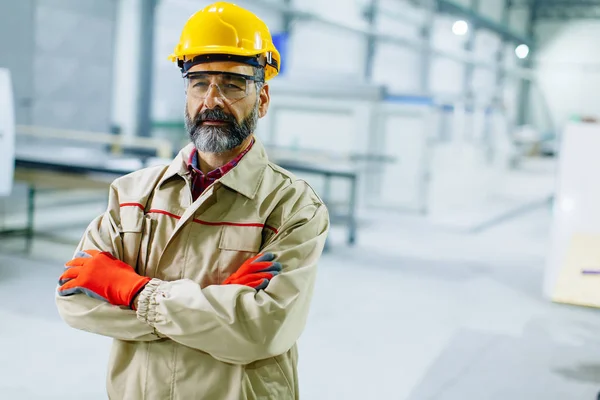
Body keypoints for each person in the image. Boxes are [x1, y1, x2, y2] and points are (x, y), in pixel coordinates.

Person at [55, 2, 330, 399]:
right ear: (186, 93)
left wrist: (130, 290)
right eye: (200, 82)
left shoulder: (294, 208)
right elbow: (75, 301)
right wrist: (216, 308)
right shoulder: (132, 195)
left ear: (263, 98)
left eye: (233, 84)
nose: (212, 100)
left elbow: (261, 330)